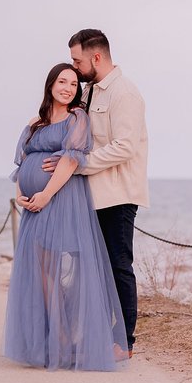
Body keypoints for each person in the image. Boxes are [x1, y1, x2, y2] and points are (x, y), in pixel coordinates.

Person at [4, 62, 129, 370]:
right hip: (33, 205)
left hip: (61, 200)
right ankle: (54, 337)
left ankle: (70, 337)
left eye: (73, 85)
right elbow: (22, 164)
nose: (68, 88)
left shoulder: (77, 118)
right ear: (50, 85)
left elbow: (71, 161)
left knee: (63, 268)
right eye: (63, 82)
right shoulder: (35, 123)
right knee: (41, 271)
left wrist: (46, 194)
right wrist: (21, 193)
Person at [42, 29, 148, 357]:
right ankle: (90, 334)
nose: (75, 67)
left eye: (78, 60)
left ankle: (123, 342)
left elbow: (124, 147)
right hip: (90, 195)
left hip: (117, 194)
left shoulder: (124, 93)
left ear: (96, 57)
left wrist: (78, 164)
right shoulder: (89, 93)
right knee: (92, 269)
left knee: (118, 266)